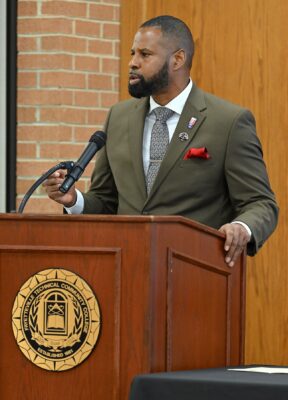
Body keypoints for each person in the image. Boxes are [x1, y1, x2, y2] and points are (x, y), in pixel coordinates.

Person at [44, 15, 279, 267]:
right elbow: (106, 201)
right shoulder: (118, 117)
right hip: (124, 272)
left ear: (177, 59)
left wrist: (241, 227)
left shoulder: (228, 122)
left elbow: (261, 204)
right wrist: (74, 200)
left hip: (197, 275)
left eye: (145, 54)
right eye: (132, 53)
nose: (133, 63)